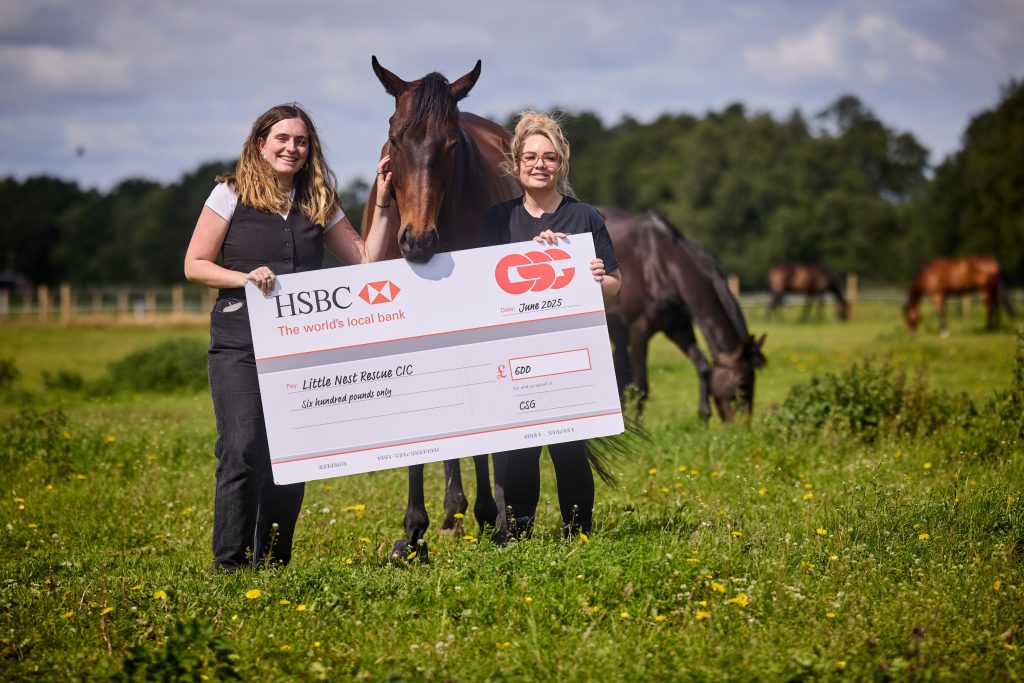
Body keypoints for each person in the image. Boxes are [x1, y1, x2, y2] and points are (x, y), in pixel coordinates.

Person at [184, 103, 394, 572]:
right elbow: (195, 263)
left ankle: (275, 562)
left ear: (309, 149)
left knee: (291, 454)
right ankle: (230, 563)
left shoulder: (319, 200)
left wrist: (382, 200)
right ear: (261, 143)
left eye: (300, 141)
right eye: (282, 138)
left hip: (301, 344)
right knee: (243, 446)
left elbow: (365, 261)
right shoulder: (229, 193)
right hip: (239, 339)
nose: (291, 148)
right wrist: (243, 278)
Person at [479, 110, 621, 541]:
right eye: (530, 157)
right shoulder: (496, 220)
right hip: (516, 353)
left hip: (571, 354)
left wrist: (597, 277)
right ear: (516, 163)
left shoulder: (585, 218)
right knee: (519, 451)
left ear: (562, 163)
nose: (540, 165)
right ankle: (519, 535)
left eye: (550, 157)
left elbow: (615, 283)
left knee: (570, 448)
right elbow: (483, 286)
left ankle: (578, 534)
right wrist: (530, 253)